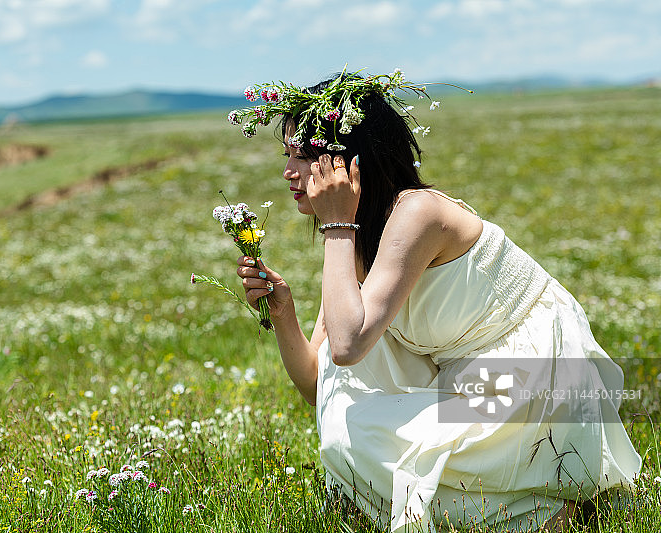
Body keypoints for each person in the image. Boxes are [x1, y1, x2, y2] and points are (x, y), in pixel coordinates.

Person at [231, 71, 641, 532]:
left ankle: (542, 509)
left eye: (306, 157)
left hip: (535, 373)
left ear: (350, 161)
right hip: (463, 373)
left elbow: (346, 345)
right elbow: (319, 384)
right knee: (346, 406)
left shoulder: (417, 214)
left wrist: (336, 226)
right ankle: (507, 497)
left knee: (361, 430)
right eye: (287, 155)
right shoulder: (357, 237)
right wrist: (284, 315)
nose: (289, 172)